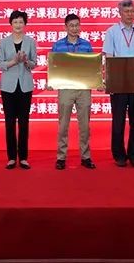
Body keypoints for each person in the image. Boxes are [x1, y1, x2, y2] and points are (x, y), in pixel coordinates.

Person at [102, 0, 134, 168]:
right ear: (120, 13)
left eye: (132, 11)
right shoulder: (112, 32)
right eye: (126, 11)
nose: (130, 14)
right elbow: (109, 57)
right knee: (118, 121)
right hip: (119, 83)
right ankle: (119, 155)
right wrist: (109, 80)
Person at [51, 13, 96, 170]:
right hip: (65, 88)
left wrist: (97, 81)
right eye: (71, 25)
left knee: (85, 126)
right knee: (63, 125)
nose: (74, 28)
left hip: (84, 89)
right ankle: (61, 157)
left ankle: (86, 157)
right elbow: (53, 66)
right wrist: (51, 81)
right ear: (66, 27)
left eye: (77, 25)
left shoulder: (87, 45)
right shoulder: (58, 46)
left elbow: (93, 67)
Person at [0, 10, 37, 170]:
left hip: (25, 86)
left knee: (24, 122)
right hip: (8, 87)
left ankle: (24, 157)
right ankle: (12, 157)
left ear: (25, 24)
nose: (18, 25)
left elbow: (34, 64)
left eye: (21, 22)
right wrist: (14, 61)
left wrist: (26, 61)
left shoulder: (30, 41)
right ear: (11, 24)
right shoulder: (3, 42)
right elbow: (0, 64)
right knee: (9, 122)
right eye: (15, 22)